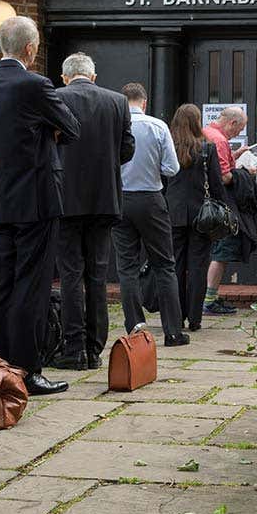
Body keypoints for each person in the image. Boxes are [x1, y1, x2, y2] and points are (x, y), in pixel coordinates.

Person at [0, 16, 80, 395]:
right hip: (37, 198)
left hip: (0, 197)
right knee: (31, 286)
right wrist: (46, 130)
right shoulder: (35, 84)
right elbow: (72, 127)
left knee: (1, 283)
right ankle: (27, 370)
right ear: (31, 49)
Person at [54, 52, 135, 370]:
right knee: (98, 275)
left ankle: (73, 348)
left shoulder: (56, 98)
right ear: (93, 77)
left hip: (66, 199)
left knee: (71, 274)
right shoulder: (117, 101)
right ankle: (94, 348)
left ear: (64, 77)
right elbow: (127, 148)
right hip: (104, 199)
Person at [113, 83, 188, 346]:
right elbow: (171, 168)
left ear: (122, 102)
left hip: (120, 199)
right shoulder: (157, 126)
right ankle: (173, 331)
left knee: (127, 267)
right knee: (164, 264)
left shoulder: (115, 126)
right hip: (151, 198)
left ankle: (135, 326)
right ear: (144, 102)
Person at [165, 104, 231, 332]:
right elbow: (216, 184)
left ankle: (175, 316)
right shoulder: (206, 149)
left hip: (173, 212)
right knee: (198, 266)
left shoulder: (169, 146)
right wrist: (222, 207)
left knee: (175, 266)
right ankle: (195, 317)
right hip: (201, 215)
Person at [202, 106, 254, 315]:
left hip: (203, 203)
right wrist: (245, 173)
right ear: (232, 123)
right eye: (238, 129)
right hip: (220, 205)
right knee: (220, 254)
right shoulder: (220, 140)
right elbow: (224, 177)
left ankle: (203, 298)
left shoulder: (206, 132)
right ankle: (209, 300)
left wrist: (235, 155)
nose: (237, 133)